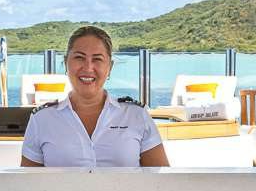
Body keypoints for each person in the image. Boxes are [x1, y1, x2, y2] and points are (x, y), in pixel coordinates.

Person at [20, 25, 170, 169]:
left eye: (97, 59)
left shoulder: (136, 115)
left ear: (109, 67)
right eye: (79, 57)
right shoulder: (41, 120)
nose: (88, 67)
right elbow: (27, 188)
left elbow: (162, 183)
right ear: (66, 63)